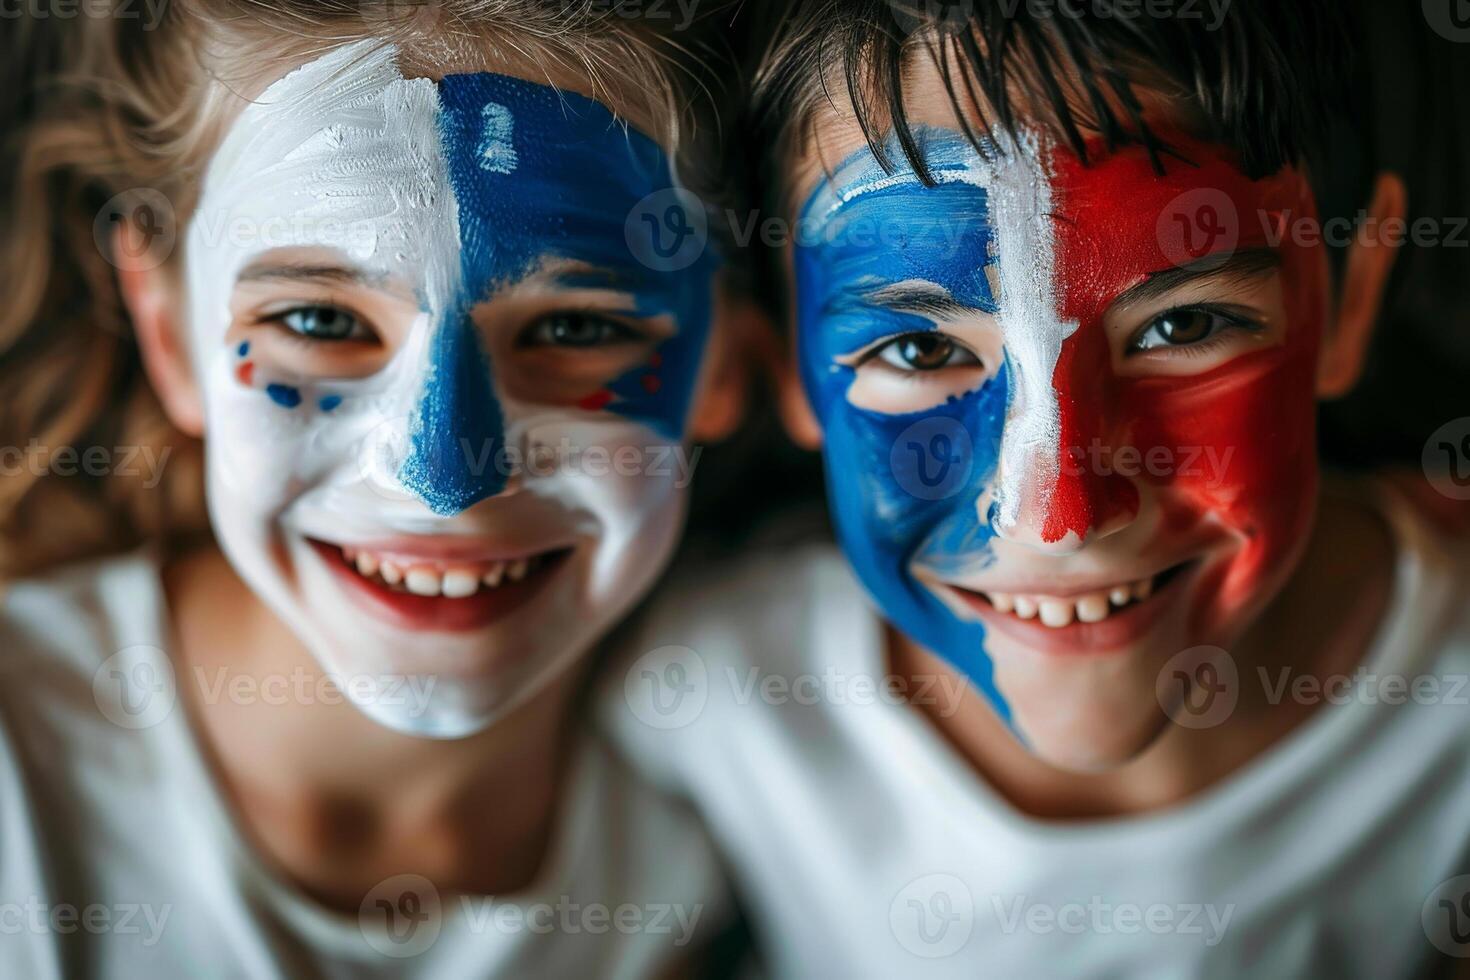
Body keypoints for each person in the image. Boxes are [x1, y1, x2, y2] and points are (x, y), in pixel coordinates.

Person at [608, 1, 1470, 976]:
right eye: (920, 347)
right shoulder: (702, 703)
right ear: (783, 364)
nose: (1058, 514)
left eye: (1183, 327)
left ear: (1352, 295)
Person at [0, 1, 751, 974]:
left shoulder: (734, 809)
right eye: (318, 321)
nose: (443, 477)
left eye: (574, 329)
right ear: (167, 332)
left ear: (732, 353)